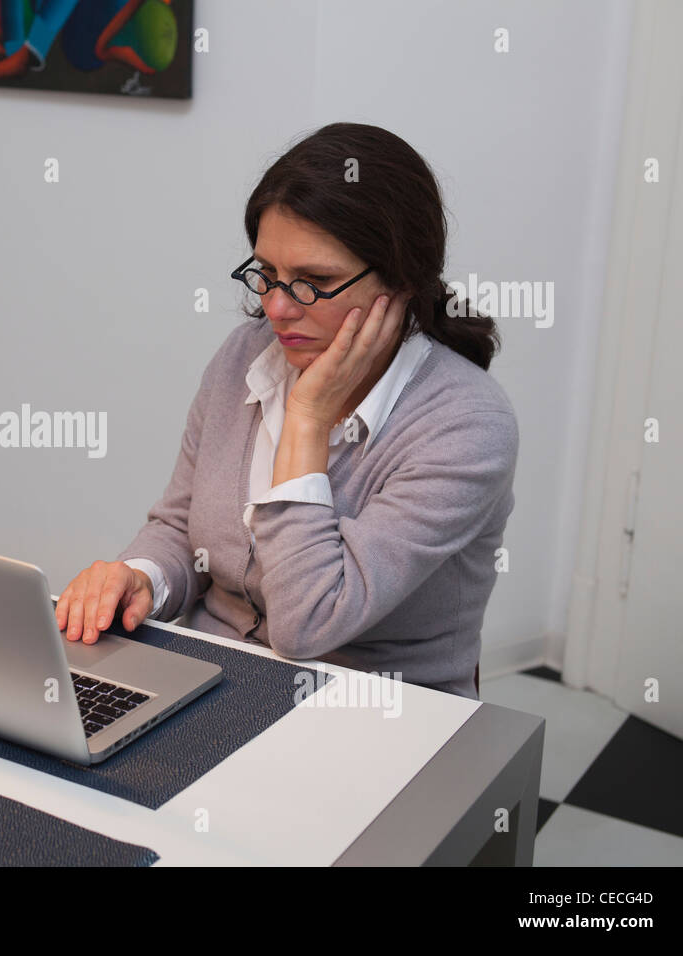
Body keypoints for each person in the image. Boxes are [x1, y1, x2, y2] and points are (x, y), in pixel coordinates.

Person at [56, 122, 518, 699]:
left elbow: (309, 624)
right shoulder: (245, 357)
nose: (276, 308)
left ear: (402, 282)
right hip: (216, 680)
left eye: (313, 281)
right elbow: (180, 528)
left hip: (376, 706)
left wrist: (306, 420)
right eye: (268, 275)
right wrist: (140, 578)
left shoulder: (466, 427)